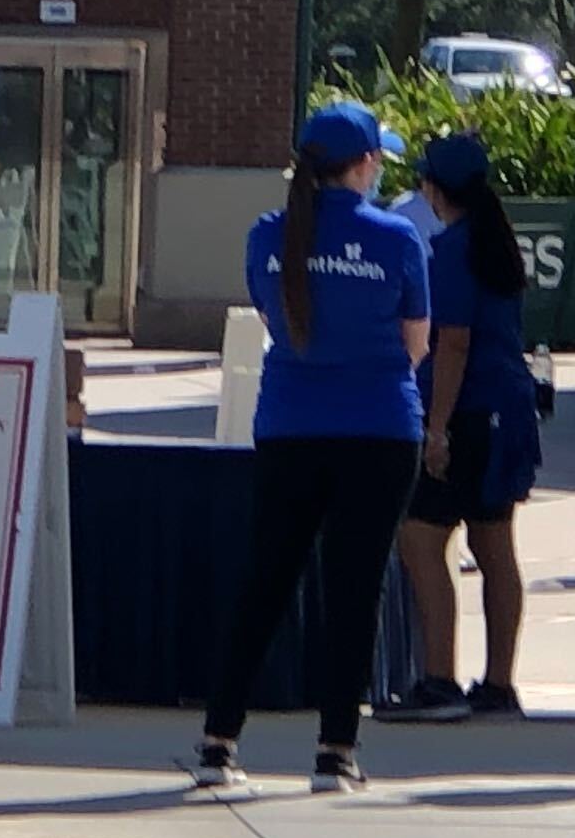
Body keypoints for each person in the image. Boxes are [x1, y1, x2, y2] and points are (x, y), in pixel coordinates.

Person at [195, 103, 434, 794]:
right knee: (354, 589)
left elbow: (276, 318)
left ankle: (218, 742)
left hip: (291, 424)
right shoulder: (396, 239)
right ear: (361, 164)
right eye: (377, 158)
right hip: (381, 428)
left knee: (264, 582)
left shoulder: (268, 236)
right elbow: (416, 341)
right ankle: (336, 752)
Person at [382, 129, 544, 723]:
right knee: (493, 542)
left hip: (468, 413)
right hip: (507, 410)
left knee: (422, 538)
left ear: (433, 189)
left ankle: (438, 676)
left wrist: (437, 429)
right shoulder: (496, 246)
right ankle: (499, 683)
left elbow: (452, 344)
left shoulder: (453, 251)